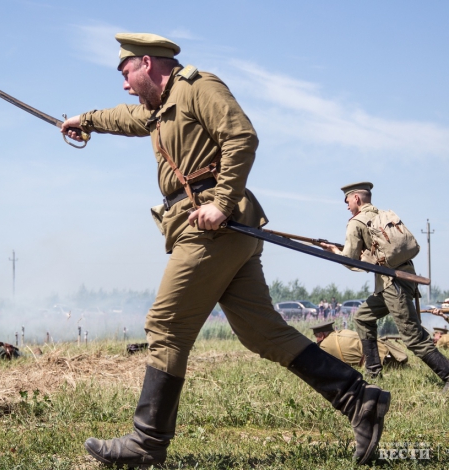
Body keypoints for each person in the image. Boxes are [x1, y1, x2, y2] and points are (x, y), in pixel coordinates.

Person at [62, 33, 390, 467]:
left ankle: (147, 442)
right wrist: (85, 119)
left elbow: (242, 137)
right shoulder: (160, 108)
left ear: (146, 62)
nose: (124, 84)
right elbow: (126, 117)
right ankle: (358, 399)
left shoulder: (198, 87)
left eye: (125, 73)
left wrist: (219, 202)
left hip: (213, 226)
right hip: (211, 227)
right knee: (262, 333)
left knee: (165, 327)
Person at [321, 182, 449, 392]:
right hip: (402, 279)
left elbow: (352, 261)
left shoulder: (357, 222)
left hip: (392, 285)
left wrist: (334, 251)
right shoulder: (382, 215)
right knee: (362, 318)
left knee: (413, 337)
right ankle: (373, 372)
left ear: (356, 198)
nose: (346, 207)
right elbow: (376, 255)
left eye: (347, 201)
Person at [311, 321, 408, 368]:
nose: (316, 339)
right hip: (383, 351)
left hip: (373, 361)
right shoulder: (343, 332)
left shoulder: (324, 345)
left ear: (322, 335)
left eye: (316, 336)